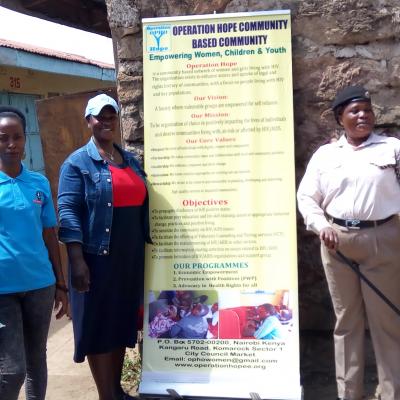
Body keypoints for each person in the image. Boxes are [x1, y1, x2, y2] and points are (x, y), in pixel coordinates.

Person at [297, 85, 400, 400]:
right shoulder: (326, 155)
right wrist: (319, 225)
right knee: (347, 321)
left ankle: (391, 392)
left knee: (386, 322)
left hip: (382, 238)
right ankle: (349, 393)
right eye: (354, 111)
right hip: (337, 243)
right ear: (339, 117)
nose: (362, 116)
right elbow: (306, 196)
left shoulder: (392, 147)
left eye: (367, 110)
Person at [57, 94, 151, 400]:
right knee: (99, 327)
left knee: (121, 323)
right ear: (89, 120)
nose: (107, 121)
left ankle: (116, 389)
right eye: (100, 116)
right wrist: (77, 260)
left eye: (112, 115)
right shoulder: (77, 164)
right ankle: (106, 394)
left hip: (129, 258)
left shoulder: (130, 161)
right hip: (97, 259)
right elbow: (68, 212)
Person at [0, 106, 68, 400]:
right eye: (3, 138)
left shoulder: (38, 183)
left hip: (41, 285)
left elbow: (49, 234)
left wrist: (61, 284)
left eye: (17, 137)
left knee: (36, 360)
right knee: (11, 369)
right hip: (3, 290)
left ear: (25, 139)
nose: (11, 144)